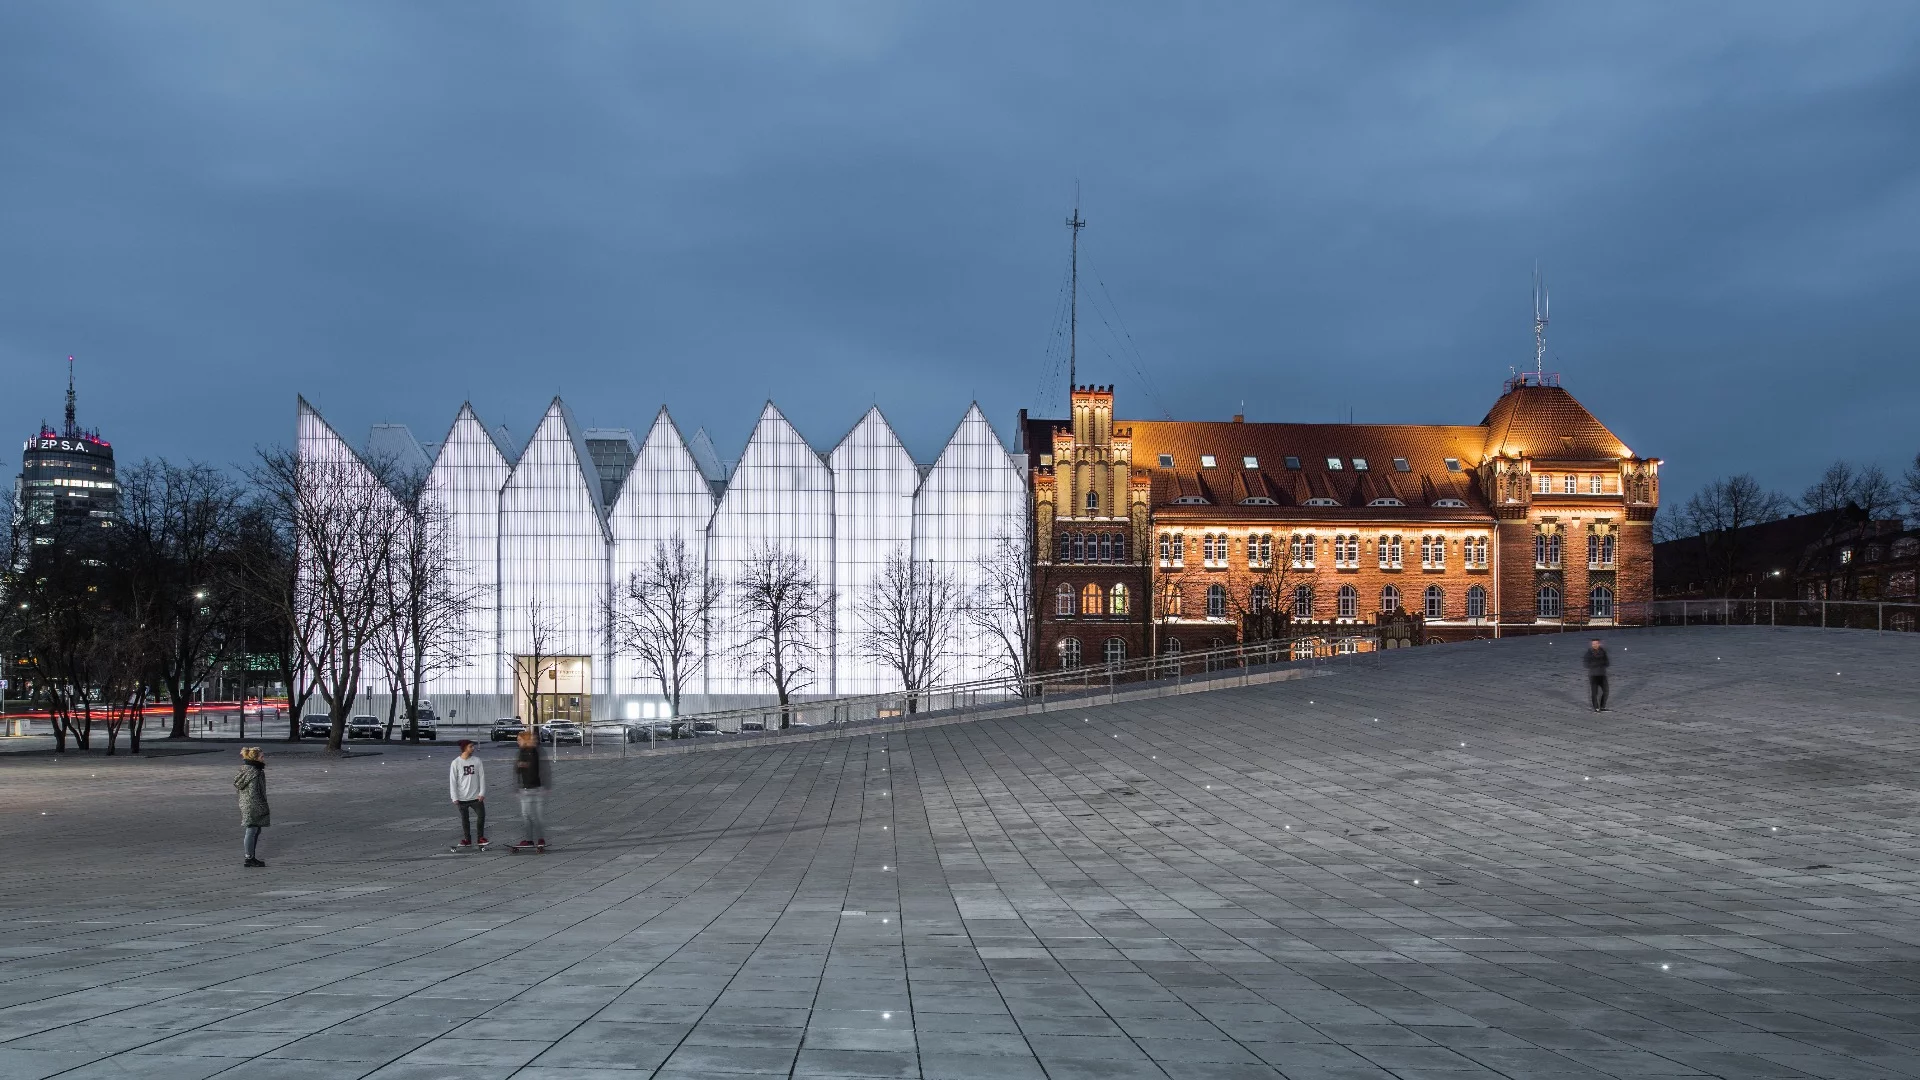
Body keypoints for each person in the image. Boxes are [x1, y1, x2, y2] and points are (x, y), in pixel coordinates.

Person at [512, 728, 549, 852]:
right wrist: (517, 787)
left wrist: (546, 785)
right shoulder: (521, 752)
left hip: (537, 788)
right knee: (526, 815)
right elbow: (517, 770)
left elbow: (542, 769)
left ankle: (540, 839)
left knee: (537, 816)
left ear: (525, 740)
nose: (518, 742)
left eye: (519, 740)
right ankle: (529, 839)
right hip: (525, 789)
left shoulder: (536, 752)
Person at [449, 739, 489, 850]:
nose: (473, 748)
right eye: (471, 746)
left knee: (481, 816)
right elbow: (453, 781)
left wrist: (482, 792)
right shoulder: (456, 763)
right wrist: (454, 796)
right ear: (465, 748)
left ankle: (480, 838)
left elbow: (482, 777)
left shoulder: (477, 761)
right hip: (462, 797)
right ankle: (467, 839)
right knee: (465, 819)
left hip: (476, 796)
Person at [234, 746, 270, 868]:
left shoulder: (245, 769)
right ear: (255, 758)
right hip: (253, 804)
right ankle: (249, 858)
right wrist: (262, 806)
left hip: (245, 803)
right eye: (262, 756)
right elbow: (255, 792)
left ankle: (250, 856)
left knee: (255, 829)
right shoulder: (256, 772)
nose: (264, 758)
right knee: (252, 829)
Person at [1584, 638, 1610, 712]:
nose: (1595, 645)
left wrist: (1600, 663)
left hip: (1602, 675)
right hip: (1593, 675)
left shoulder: (1603, 652)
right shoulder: (1589, 653)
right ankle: (1596, 707)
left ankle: (1602, 706)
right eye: (1593, 644)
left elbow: (1607, 663)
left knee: (1606, 691)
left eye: (1596, 643)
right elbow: (1586, 664)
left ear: (1599, 644)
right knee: (1594, 692)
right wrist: (1597, 663)